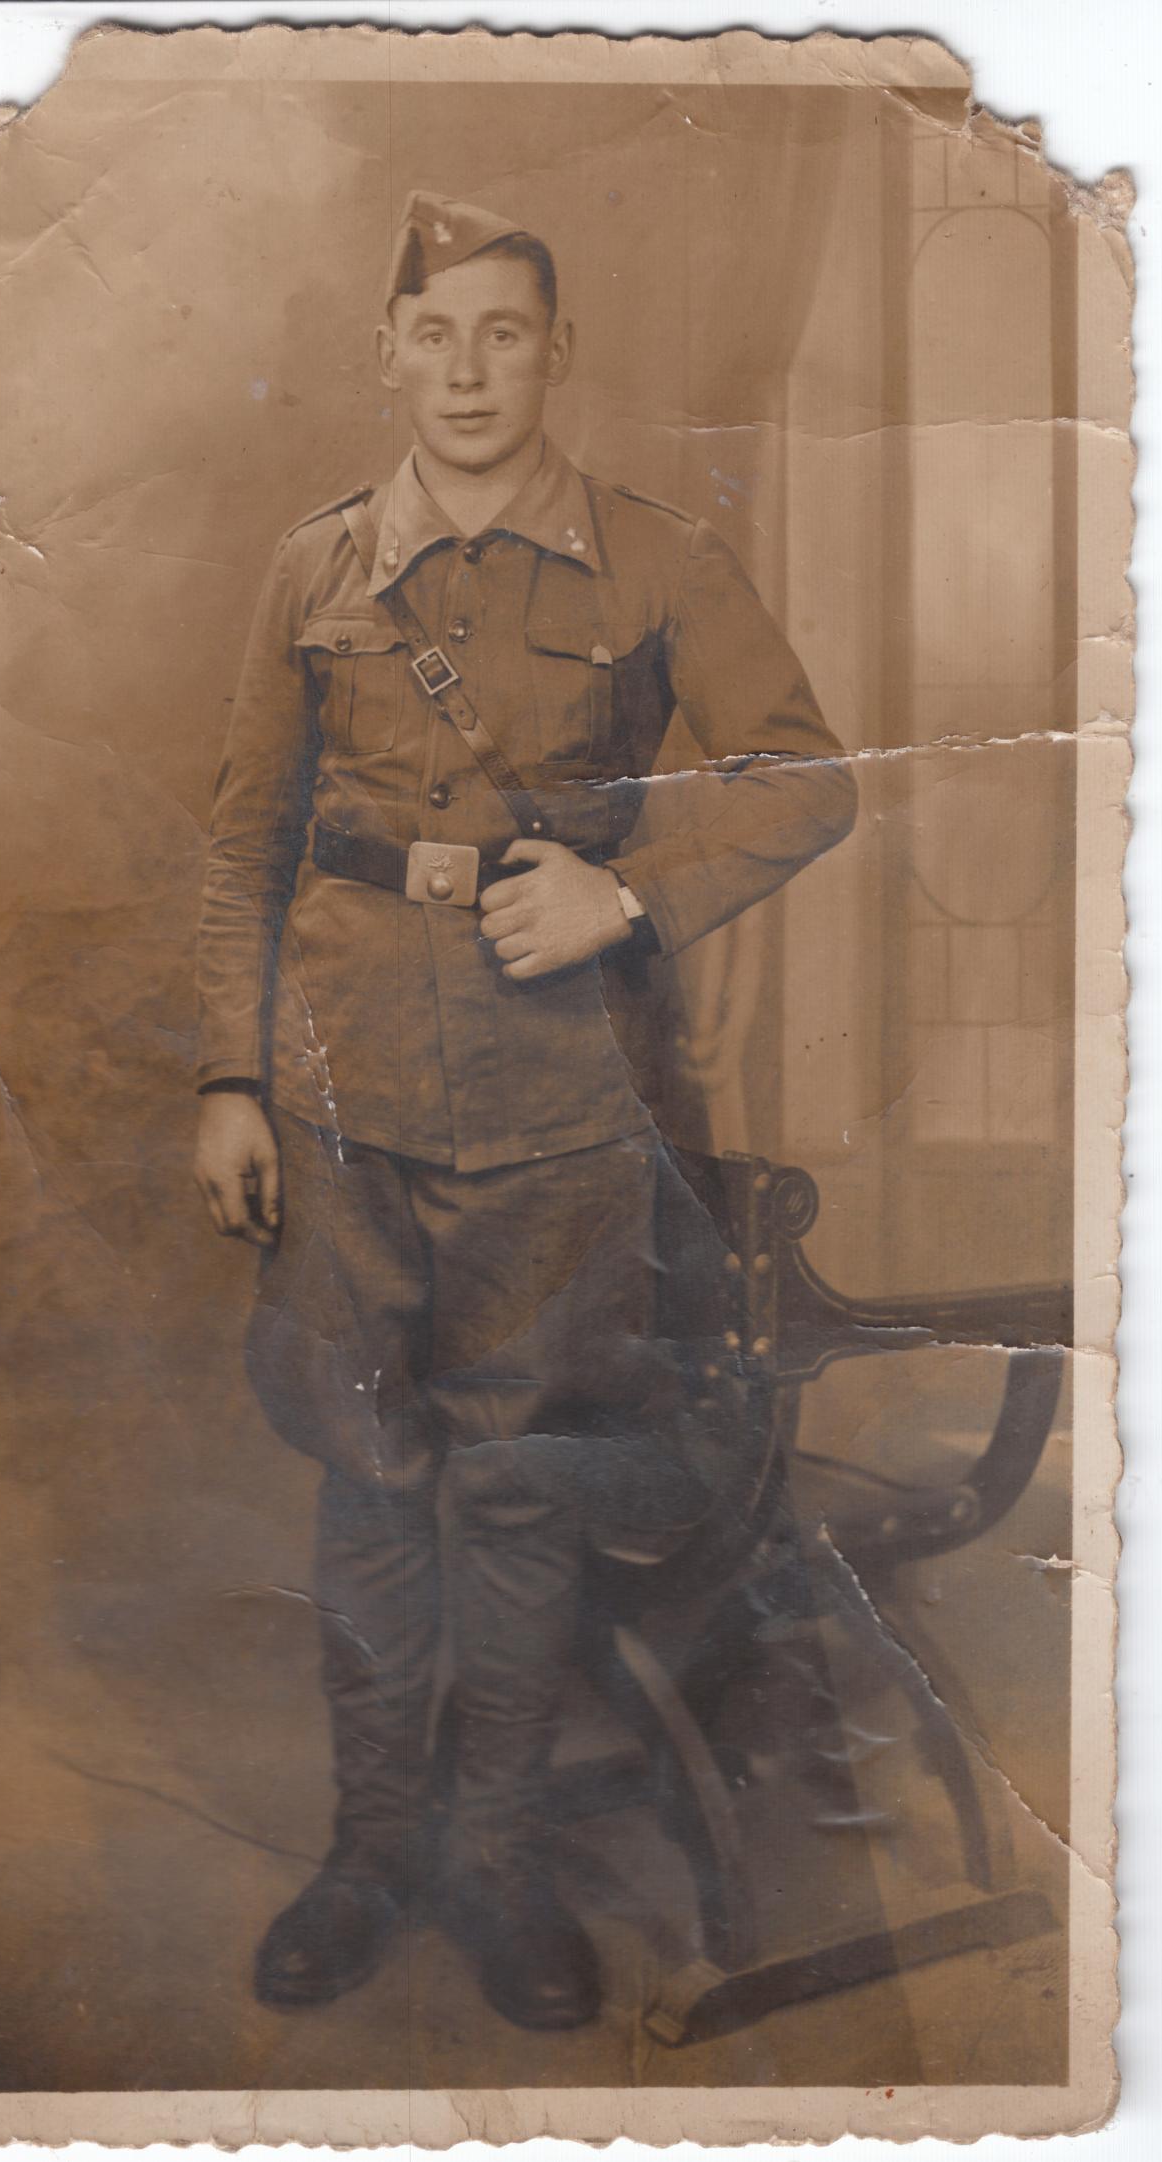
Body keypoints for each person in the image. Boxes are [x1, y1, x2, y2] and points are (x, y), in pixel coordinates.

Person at [194, 191, 856, 2031]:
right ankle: (366, 1851)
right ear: (385, 356)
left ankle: (493, 1860)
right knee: (365, 1477)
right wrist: (230, 1076)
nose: (469, 371)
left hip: (561, 1110)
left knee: (513, 1491)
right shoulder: (312, 567)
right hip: (338, 1097)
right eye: (435, 335)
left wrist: (625, 895)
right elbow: (243, 842)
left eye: (504, 333)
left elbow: (809, 780)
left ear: (557, 353)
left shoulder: (657, 559)